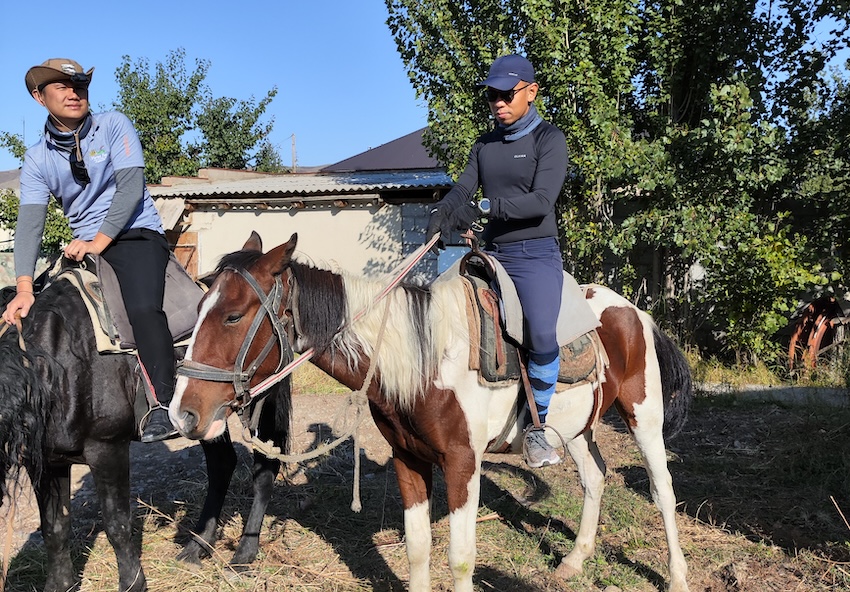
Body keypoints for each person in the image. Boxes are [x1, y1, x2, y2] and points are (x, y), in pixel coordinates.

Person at [2, 58, 177, 443]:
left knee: (144, 309)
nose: (73, 92)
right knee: (47, 318)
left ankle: (164, 403)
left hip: (134, 234)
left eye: (79, 84)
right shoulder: (36, 158)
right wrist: (25, 287)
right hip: (84, 247)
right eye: (61, 86)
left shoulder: (114, 125)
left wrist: (98, 241)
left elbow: (131, 189)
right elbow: (30, 222)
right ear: (39, 97)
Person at [427, 54, 568, 468]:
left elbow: (542, 201)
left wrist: (487, 207)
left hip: (534, 255)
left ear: (531, 91)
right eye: (492, 95)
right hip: (490, 255)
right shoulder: (484, 145)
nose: (498, 103)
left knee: (542, 334)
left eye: (506, 94)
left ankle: (538, 427)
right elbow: (462, 189)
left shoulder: (549, 140)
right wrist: (444, 213)